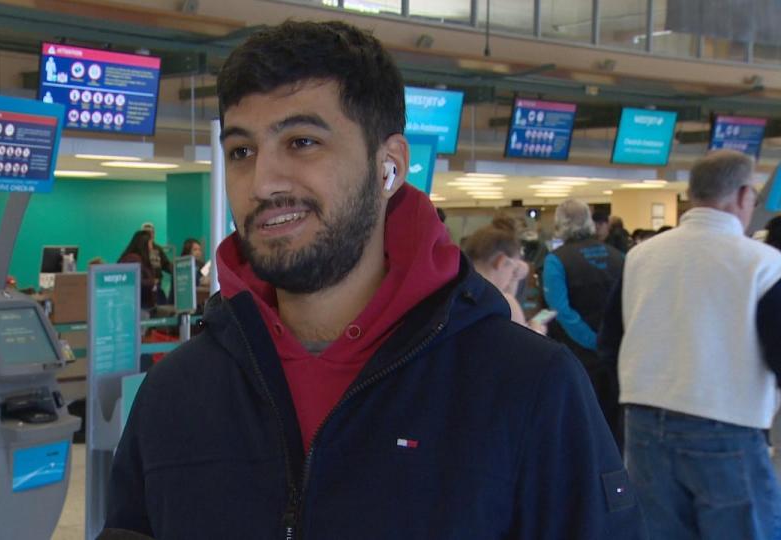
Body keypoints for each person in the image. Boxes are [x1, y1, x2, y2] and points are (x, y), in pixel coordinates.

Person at [103, 20, 644, 539]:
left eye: (301, 142)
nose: (263, 181)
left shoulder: (529, 388)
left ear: (389, 165)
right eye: (242, 152)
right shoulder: (175, 394)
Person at [599, 150, 781, 540]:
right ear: (744, 195)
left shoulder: (640, 257)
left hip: (644, 424)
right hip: (727, 426)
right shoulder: (763, 264)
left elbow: (610, 340)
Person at [543, 199, 625, 447]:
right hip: (617, 354)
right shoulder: (618, 256)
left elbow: (561, 310)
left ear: (559, 224)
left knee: (586, 425)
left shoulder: (556, 261)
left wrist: (592, 340)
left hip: (579, 356)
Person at [464, 222, 546, 334]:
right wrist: (536, 331)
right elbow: (524, 349)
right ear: (501, 261)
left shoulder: (454, 292)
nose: (511, 278)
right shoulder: (506, 303)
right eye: (513, 271)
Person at [118, 230, 162, 312]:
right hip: (137, 307)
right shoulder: (133, 259)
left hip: (141, 305)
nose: (152, 247)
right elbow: (135, 282)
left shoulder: (139, 259)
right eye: (150, 243)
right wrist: (153, 282)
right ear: (144, 244)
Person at [141, 221, 173, 303]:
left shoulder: (157, 249)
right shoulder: (138, 250)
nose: (149, 235)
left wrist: (178, 271)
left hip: (157, 286)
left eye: (151, 232)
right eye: (146, 233)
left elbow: (166, 264)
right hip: (144, 288)